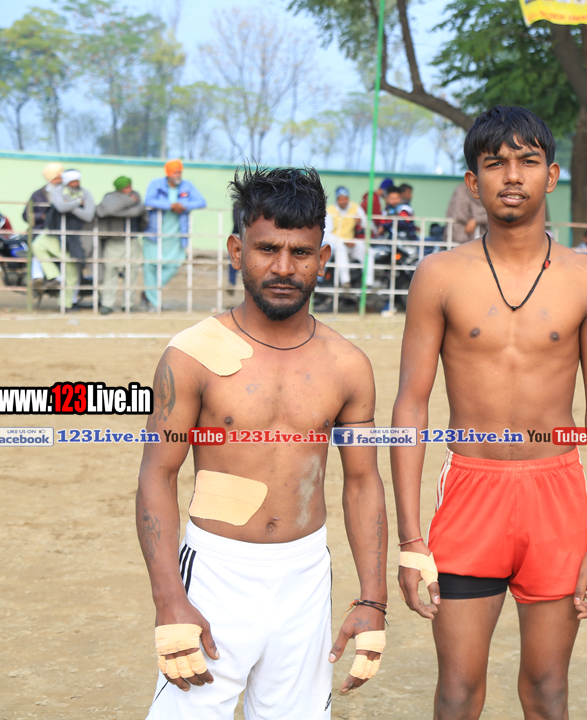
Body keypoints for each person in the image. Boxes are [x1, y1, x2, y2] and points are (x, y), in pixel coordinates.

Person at [391, 105, 587, 720]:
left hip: (557, 495)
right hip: (472, 492)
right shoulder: (439, 275)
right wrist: (410, 538)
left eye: (528, 161)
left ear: (551, 175)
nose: (512, 176)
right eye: (495, 163)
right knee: (458, 691)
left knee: (547, 691)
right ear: (474, 181)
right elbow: (411, 404)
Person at [137, 166, 388, 718]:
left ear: (323, 258)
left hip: (305, 574)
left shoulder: (348, 365)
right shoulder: (193, 353)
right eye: (267, 248)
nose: (283, 268)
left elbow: (363, 481)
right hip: (215, 571)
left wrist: (373, 598)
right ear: (237, 250)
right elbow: (157, 473)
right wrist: (169, 597)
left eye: (301, 253)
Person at [142, 159, 206, 311]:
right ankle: (154, 303)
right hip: (154, 235)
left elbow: (201, 202)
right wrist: (170, 206)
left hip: (176, 237)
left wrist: (183, 206)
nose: (178, 175)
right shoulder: (156, 184)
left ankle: (149, 293)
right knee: (150, 266)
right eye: (175, 172)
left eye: (179, 172)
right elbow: (148, 201)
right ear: (168, 173)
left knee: (174, 265)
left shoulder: (187, 186)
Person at [35, 169, 95, 311]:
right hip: (56, 233)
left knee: (72, 272)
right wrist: (78, 203)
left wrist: (70, 205)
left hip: (75, 237)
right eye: (73, 181)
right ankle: (54, 276)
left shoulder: (86, 193)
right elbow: (60, 207)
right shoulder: (58, 191)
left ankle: (66, 304)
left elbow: (88, 215)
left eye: (77, 181)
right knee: (37, 244)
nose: (76, 183)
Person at [95, 176, 147, 315]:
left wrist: (130, 209)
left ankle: (128, 304)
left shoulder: (136, 196)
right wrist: (131, 205)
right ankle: (107, 304)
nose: (129, 189)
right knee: (110, 273)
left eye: (129, 186)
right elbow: (110, 209)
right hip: (113, 240)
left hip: (131, 240)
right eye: (125, 187)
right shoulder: (110, 198)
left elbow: (140, 212)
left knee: (132, 273)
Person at [325, 186, 368, 289]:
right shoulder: (330, 210)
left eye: (345, 199)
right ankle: (345, 281)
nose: (344, 201)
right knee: (341, 248)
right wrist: (343, 241)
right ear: (337, 199)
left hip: (350, 241)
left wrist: (360, 221)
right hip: (334, 242)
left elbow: (366, 224)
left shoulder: (355, 207)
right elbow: (327, 233)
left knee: (367, 251)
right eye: (341, 199)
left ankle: (368, 283)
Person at [23, 162, 63, 232]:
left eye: (61, 178)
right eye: (55, 178)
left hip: (63, 230)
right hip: (41, 229)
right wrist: (43, 216)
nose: (59, 181)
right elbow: (26, 215)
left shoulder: (68, 193)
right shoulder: (38, 194)